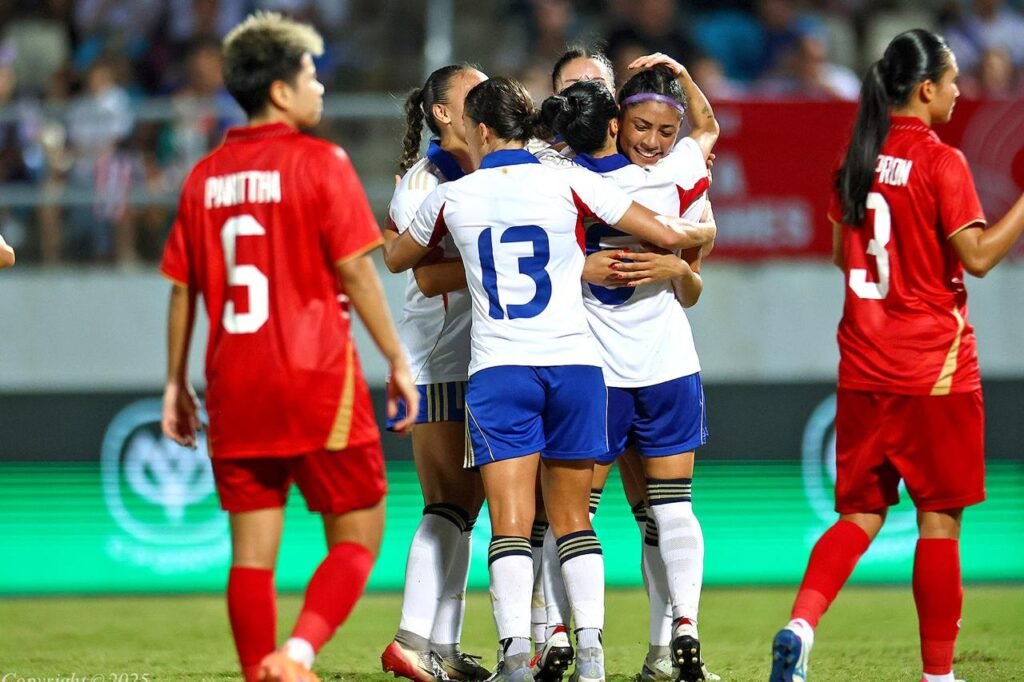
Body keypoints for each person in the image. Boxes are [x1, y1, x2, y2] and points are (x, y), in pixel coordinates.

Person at [386, 77, 716, 682]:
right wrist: (698, 236)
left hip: (498, 369)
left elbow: (399, 260)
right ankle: (591, 657)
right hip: (574, 367)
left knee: (510, 524)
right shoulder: (567, 177)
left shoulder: (451, 196)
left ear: (481, 130)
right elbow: (668, 234)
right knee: (575, 521)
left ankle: (515, 656)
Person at [159, 12, 417, 682]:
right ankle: (296, 655)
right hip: (316, 377)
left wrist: (172, 383)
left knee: (250, 555)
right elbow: (358, 269)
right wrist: (396, 356)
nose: (320, 88)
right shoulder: (320, 162)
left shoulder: (203, 178)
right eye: (310, 74)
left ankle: (258, 672)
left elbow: (183, 290)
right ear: (279, 89)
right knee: (359, 538)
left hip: (232, 383)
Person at [769, 29, 1024, 682]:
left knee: (858, 514)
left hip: (863, 368)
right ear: (926, 88)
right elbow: (980, 258)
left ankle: (800, 627)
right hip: (934, 369)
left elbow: (838, 256)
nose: (962, 89)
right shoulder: (943, 162)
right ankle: (938, 676)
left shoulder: (856, 158)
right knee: (939, 523)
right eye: (955, 78)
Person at [545, 54, 720, 682]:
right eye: (642, 128)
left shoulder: (558, 176)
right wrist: (682, 261)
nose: (652, 142)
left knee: (573, 515)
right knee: (668, 507)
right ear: (618, 121)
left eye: (661, 131)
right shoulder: (680, 170)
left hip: (593, 363)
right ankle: (678, 630)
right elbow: (709, 130)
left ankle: (573, 639)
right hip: (663, 360)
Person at [379, 63, 491, 682]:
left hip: (474, 356)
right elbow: (422, 274)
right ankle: (410, 639)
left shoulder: (480, 170)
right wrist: (494, 257)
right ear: (443, 113)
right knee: (445, 503)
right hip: (440, 357)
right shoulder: (426, 182)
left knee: (464, 508)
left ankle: (441, 647)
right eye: (473, 94)